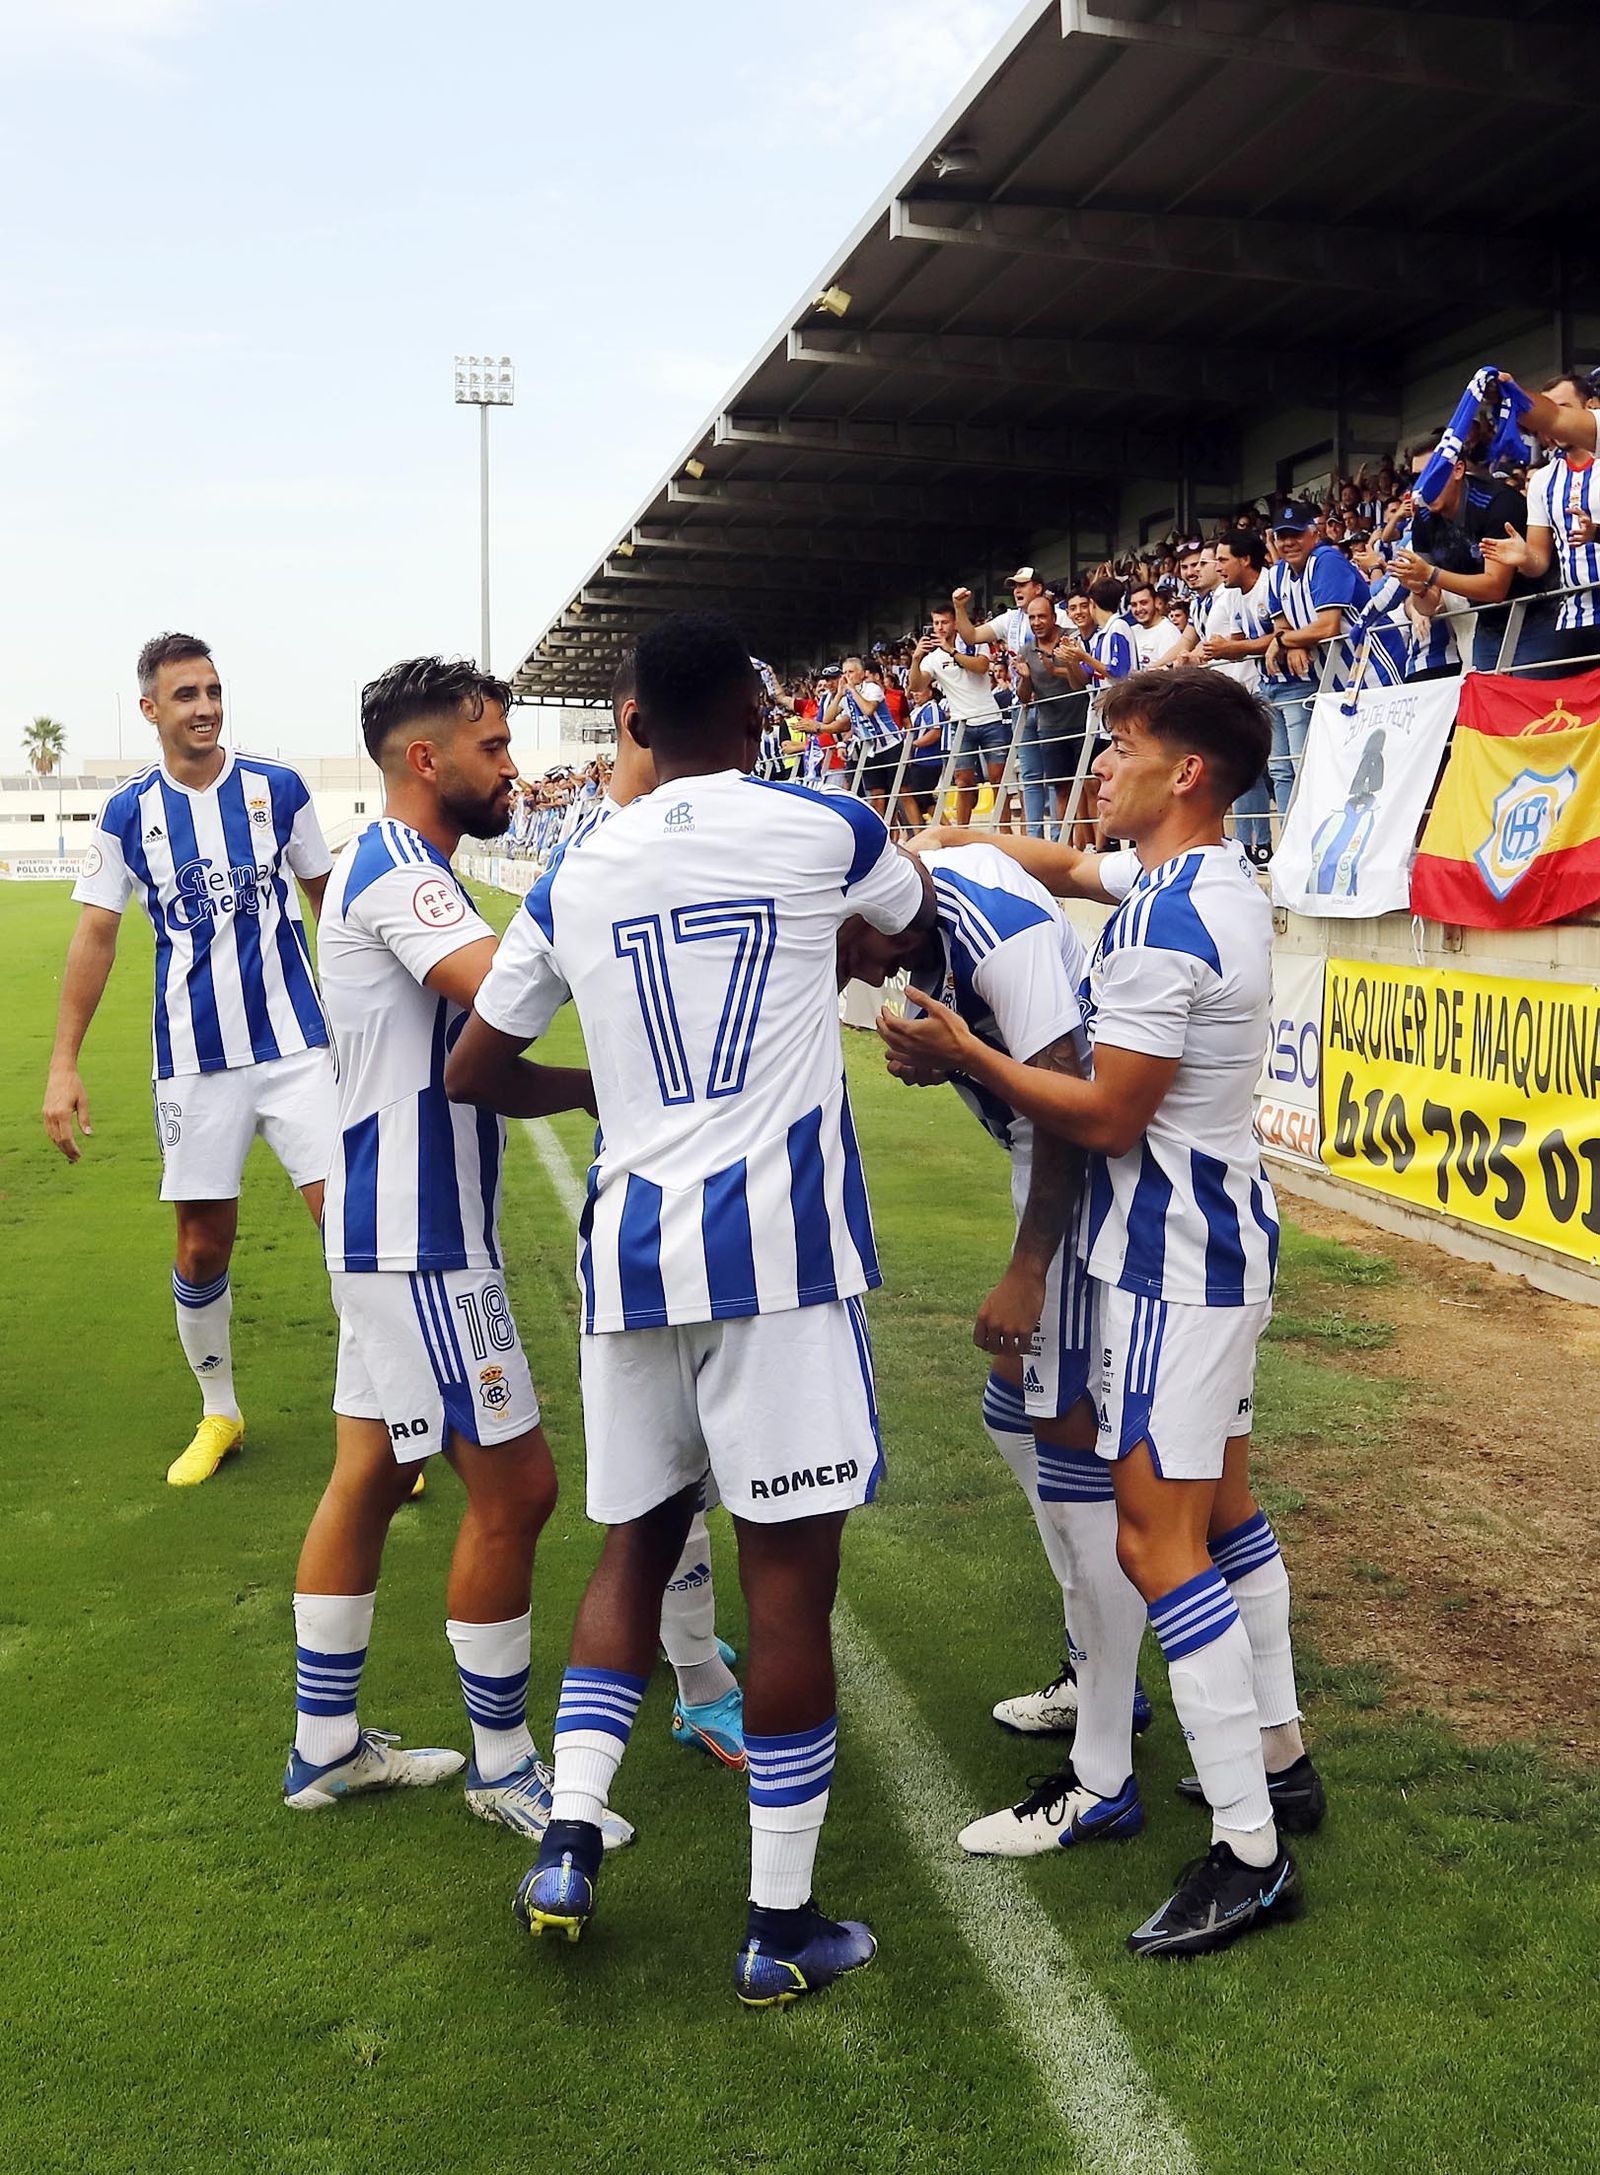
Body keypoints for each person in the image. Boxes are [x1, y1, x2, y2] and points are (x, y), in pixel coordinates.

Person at [446, 611, 935, 2006]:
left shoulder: (575, 864)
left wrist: (597, 1088)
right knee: (786, 1583)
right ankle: (779, 1925)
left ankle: (569, 1834)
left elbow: (477, 1066)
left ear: (637, 727)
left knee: (633, 1547)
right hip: (778, 1262)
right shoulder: (827, 823)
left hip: (632, 1251)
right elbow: (921, 927)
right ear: (762, 725)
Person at [881, 669, 1321, 1960]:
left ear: (1187, 773)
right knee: (1224, 1509)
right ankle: (1282, 1755)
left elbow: (1108, 1112)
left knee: (1155, 1534)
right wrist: (955, 846)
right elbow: (1069, 860)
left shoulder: (1176, 922)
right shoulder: (1199, 882)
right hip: (1211, 1238)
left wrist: (972, 1057)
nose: (1098, 766)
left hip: (1174, 1260)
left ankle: (1249, 1850)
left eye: (1123, 748)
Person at [284, 654, 632, 1853]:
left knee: (371, 1474)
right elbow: (497, 989)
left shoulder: (409, 868)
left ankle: (322, 1747)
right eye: (493, 748)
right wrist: (615, 890)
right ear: (424, 760)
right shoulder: (391, 864)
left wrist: (602, 1088)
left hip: (397, 1232)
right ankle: (506, 1768)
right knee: (518, 1489)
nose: (514, 770)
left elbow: (475, 1071)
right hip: (424, 1242)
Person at [837, 844, 1153, 1830]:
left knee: (1073, 1454)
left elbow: (1065, 1117)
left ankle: (1102, 1769)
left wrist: (1027, 1271)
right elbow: (1040, 855)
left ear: (882, 920)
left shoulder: (999, 944)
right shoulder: (931, 871)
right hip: (1064, 1156)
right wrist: (1115, 874)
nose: (835, 961)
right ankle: (1097, 1666)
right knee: (1016, 1414)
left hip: (1092, 1181)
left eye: (836, 940)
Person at [42, 631, 338, 1486]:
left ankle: (386, 1413)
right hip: (194, 1061)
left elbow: (331, 906)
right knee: (203, 1245)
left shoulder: (278, 789)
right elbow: (96, 931)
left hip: (296, 1048)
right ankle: (221, 1412)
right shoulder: (129, 814)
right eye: (185, 695)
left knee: (345, 1228)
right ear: (150, 710)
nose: (205, 706)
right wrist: (63, 1062)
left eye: (213, 690)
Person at [560, 652, 748, 1771]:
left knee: (693, 1475)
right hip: (666, 1191)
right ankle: (698, 1678)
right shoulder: (598, 852)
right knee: (669, 1479)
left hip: (698, 1192)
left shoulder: (710, 828)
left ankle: (699, 1672)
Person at [1480, 369, 1600, 673]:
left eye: (1563, 407)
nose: (1551, 421)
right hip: (1572, 619)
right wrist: (1523, 558)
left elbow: (1552, 418)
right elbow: (1539, 561)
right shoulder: (1543, 480)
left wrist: (1513, 392)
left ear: (1592, 408)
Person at [1259, 504, 1369, 815]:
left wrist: (1281, 641)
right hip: (1333, 681)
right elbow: (1282, 624)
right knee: (1345, 762)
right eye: (1282, 536)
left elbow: (1327, 626)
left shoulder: (1327, 560)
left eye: (1296, 535)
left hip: (1370, 668)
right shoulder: (1277, 573)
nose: (1288, 542)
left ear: (1314, 534)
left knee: (1380, 757)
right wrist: (1291, 644)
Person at [910, 604, 1006, 826]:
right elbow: (916, 685)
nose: (940, 627)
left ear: (955, 622)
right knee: (963, 782)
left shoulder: (975, 643)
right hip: (961, 724)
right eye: (936, 623)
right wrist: (916, 658)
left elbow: (982, 667)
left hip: (989, 718)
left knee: (997, 780)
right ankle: (964, 833)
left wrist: (952, 651)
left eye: (944, 622)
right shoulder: (931, 658)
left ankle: (1006, 830)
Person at [1127, 579, 1184, 668]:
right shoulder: (1131, 631)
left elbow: (1172, 674)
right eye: (1134, 605)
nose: (1138, 609)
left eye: (1144, 603)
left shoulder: (1168, 633)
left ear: (1157, 602)